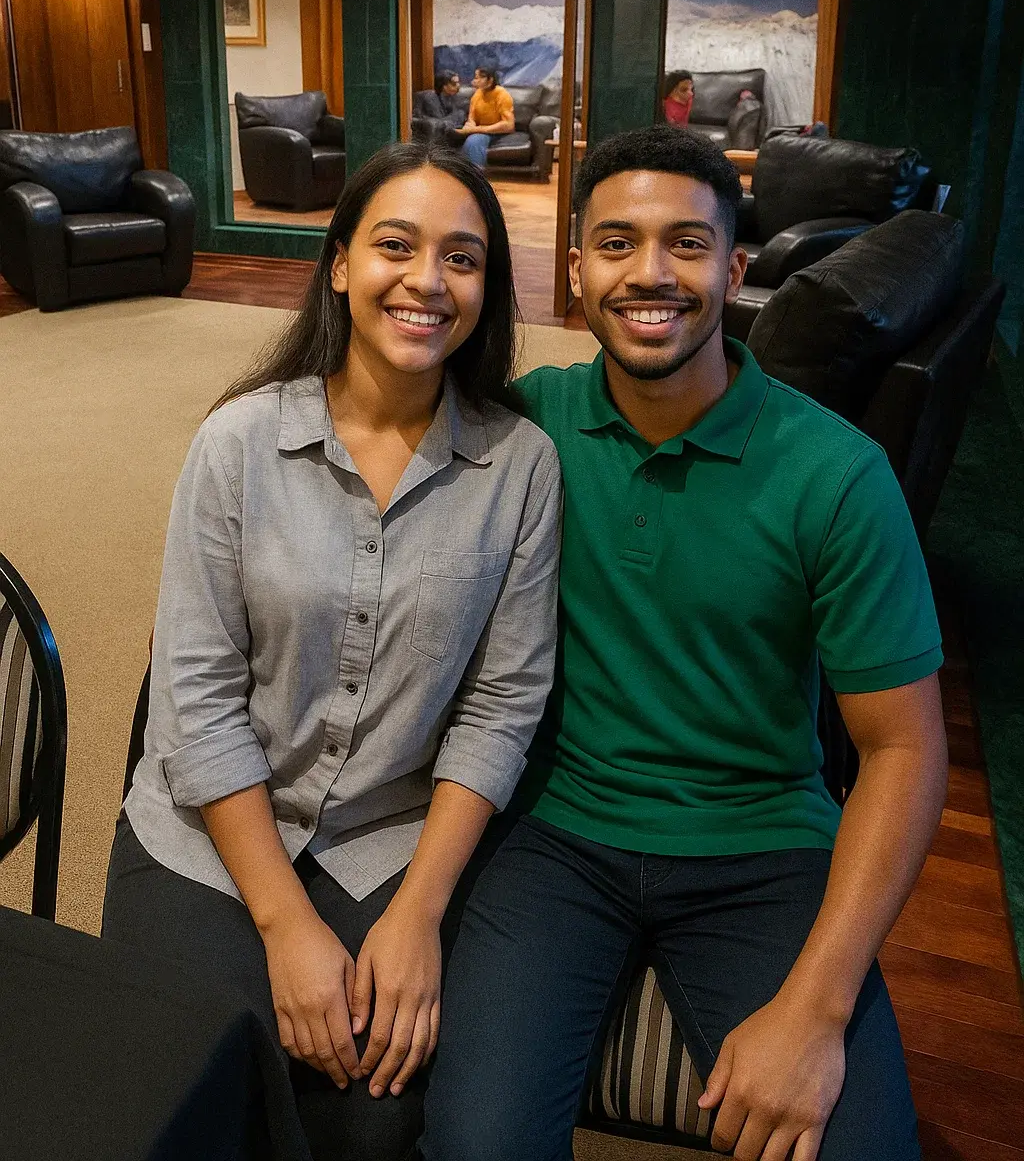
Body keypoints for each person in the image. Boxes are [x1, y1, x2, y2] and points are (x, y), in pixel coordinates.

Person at [422, 127, 948, 1161]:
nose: (649, 273)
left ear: (735, 270)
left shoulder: (834, 474)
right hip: (557, 834)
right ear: (574, 272)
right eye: (615, 243)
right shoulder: (526, 433)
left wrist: (820, 1005)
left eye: (687, 244)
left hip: (763, 842)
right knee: (473, 1145)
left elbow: (902, 749)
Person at [103, 141, 562, 1161]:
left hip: (387, 844)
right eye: (396, 246)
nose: (427, 281)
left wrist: (417, 919)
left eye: (463, 257)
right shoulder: (238, 443)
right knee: (196, 1086)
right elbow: (196, 697)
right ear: (342, 263)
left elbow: (500, 708)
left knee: (372, 1107)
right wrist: (283, 926)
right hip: (206, 835)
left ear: (488, 286)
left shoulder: (518, 465)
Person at [453, 67, 515, 169]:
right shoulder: (477, 94)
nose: (474, 81)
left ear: (490, 80)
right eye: (475, 77)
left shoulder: (502, 94)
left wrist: (477, 129)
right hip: (479, 130)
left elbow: (509, 125)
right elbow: (472, 118)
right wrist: (469, 126)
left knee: (474, 141)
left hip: (497, 132)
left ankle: (477, 176)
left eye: (478, 78)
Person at [417, 70, 463, 135]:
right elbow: (441, 123)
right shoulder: (430, 97)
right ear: (443, 86)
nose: (458, 86)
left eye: (458, 82)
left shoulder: (454, 96)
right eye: (454, 83)